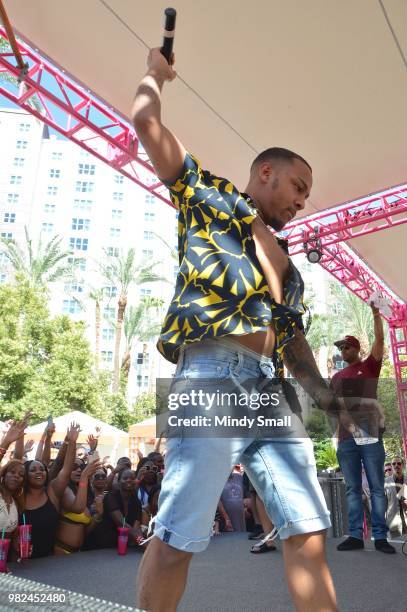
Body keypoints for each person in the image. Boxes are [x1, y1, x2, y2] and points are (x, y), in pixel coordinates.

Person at [132, 48, 347, 612]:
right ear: (265, 172)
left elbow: (292, 340)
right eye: (297, 185)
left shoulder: (291, 270)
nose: (303, 200)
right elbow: (146, 125)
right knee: (179, 536)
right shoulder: (213, 197)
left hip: (269, 389)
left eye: (307, 193)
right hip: (211, 375)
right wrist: (156, 73)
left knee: (306, 529)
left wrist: (330, 399)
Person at [331, 305, 395, 554]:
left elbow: (380, 339)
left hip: (369, 435)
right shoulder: (336, 377)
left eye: (346, 346)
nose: (343, 350)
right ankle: (355, 535)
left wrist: (376, 314)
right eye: (340, 348)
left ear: (357, 348)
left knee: (377, 487)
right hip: (346, 439)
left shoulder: (369, 367)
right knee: (352, 488)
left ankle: (380, 537)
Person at [21, 423, 81, 558]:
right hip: (20, 561)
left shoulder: (52, 492)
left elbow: (65, 470)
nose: (39, 472)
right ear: (25, 475)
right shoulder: (19, 496)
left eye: (42, 469)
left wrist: (72, 442)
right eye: (33, 470)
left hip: (49, 560)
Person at [84, 468, 144, 550]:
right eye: (125, 478)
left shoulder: (135, 500)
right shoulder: (111, 496)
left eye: (132, 478)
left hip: (119, 547)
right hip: (99, 546)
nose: (129, 480)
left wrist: (142, 542)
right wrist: (142, 542)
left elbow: (136, 527)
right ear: (118, 482)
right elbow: (121, 523)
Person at [385, 456, 407, 538]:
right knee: (397, 546)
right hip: (394, 523)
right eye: (394, 464)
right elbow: (384, 504)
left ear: (403, 465)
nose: (396, 465)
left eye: (399, 463)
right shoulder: (386, 482)